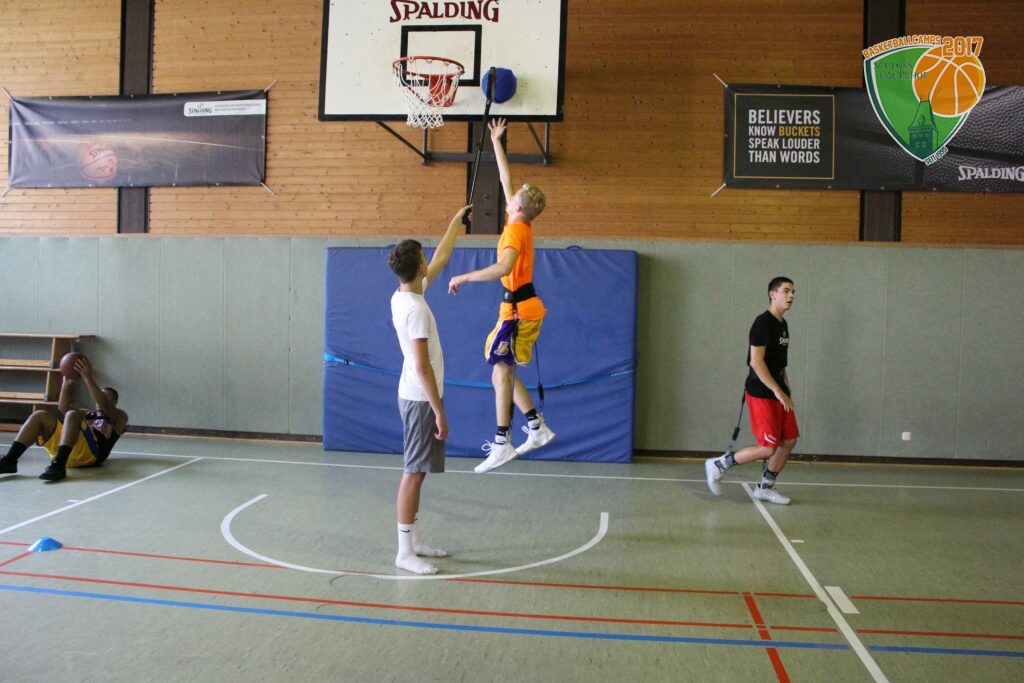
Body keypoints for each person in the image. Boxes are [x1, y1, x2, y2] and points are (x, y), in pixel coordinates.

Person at [447, 117, 555, 474]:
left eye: (514, 199)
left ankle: (502, 443)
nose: (509, 197)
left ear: (517, 208)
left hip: (519, 311)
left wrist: (464, 276)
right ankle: (536, 428)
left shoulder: (513, 234)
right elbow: (507, 180)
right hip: (518, 309)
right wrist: (496, 141)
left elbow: (503, 267)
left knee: (500, 373)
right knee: (500, 370)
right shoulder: (519, 222)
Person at [388, 204, 469, 574]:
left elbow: (442, 256)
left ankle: (414, 541)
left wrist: (455, 221)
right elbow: (422, 367)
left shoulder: (404, 295)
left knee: (418, 471)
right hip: (420, 399)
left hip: (416, 395)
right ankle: (404, 553)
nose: (428, 261)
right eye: (424, 258)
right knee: (413, 472)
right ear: (419, 268)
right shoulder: (416, 310)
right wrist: (439, 411)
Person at [705, 277, 799, 505]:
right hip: (761, 392)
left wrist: (786, 390)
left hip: (779, 392)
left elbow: (780, 365)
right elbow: (756, 362)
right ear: (772, 294)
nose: (791, 296)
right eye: (786, 291)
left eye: (793, 292)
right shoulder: (762, 323)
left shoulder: (783, 325)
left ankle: (765, 487)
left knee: (789, 440)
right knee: (767, 448)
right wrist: (777, 391)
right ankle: (719, 464)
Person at [0, 356, 128, 482]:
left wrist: (87, 377)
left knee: (72, 414)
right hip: (69, 452)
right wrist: (66, 384)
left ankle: (58, 465)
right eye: (100, 396)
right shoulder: (88, 413)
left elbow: (105, 405)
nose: (100, 400)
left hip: (92, 455)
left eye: (106, 397)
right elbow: (63, 407)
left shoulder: (120, 417)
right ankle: (10, 461)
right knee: (40, 415)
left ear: (114, 402)